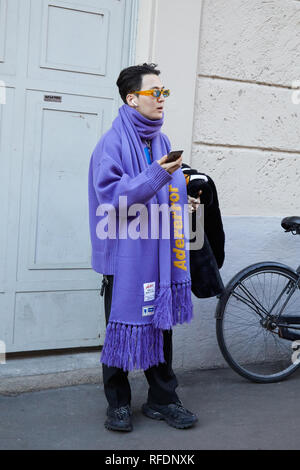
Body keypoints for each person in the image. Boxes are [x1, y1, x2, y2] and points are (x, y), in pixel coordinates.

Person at [88, 63, 200, 432]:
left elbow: (165, 191)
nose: (162, 99)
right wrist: (159, 174)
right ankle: (118, 405)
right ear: (132, 98)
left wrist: (185, 201)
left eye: (164, 92)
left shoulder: (162, 140)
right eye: (156, 92)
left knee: (160, 325)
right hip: (124, 258)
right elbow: (115, 200)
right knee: (120, 328)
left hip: (158, 255)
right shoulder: (112, 142)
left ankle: (163, 399)